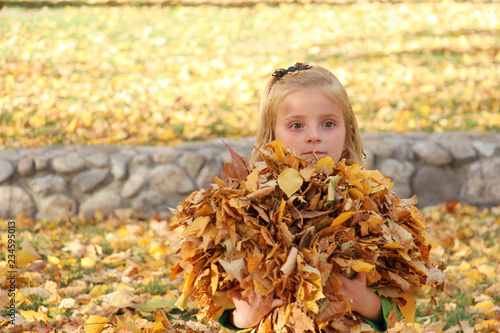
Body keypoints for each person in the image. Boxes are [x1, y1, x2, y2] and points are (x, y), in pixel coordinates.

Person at [218, 63, 402, 332]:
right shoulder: (246, 208)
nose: (314, 136)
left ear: (348, 131)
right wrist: (245, 318)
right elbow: (221, 301)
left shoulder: (371, 207)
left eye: (328, 124)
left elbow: (399, 300)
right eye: (296, 125)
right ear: (272, 135)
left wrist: (366, 302)